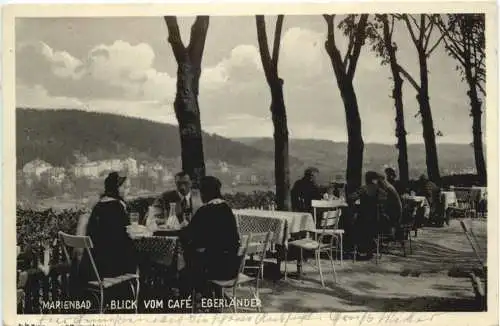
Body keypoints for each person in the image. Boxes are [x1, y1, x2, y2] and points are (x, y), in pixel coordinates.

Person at [178, 176, 241, 298]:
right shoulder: (226, 209)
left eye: (201, 192)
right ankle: (211, 294)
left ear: (205, 193)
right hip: (232, 268)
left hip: (216, 270)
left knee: (184, 266)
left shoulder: (205, 211)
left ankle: (195, 297)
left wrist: (182, 229)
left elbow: (189, 235)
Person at [76, 172, 136, 287]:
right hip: (110, 269)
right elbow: (125, 235)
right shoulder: (117, 206)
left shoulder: (98, 205)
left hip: (93, 268)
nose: (128, 190)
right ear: (115, 188)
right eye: (125, 187)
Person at [348, 171, 389, 258]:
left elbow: (351, 197)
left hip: (363, 220)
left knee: (351, 223)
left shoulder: (364, 188)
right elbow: (385, 200)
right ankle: (370, 250)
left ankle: (358, 249)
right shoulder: (379, 190)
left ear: (367, 179)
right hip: (376, 221)